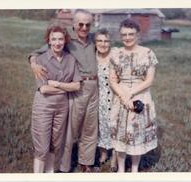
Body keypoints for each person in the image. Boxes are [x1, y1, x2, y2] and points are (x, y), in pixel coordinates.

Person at [29, 9, 98, 172]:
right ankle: (63, 166)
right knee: (68, 131)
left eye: (87, 24)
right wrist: (33, 63)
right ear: (74, 24)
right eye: (80, 24)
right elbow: (39, 52)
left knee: (90, 127)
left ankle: (86, 163)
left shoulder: (94, 39)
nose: (84, 27)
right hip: (75, 88)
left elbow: (107, 47)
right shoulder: (67, 40)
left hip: (92, 86)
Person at [109, 18, 158, 172]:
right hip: (120, 98)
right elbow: (112, 80)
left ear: (138, 34)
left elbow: (149, 80)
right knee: (121, 136)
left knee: (137, 135)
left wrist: (131, 93)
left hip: (140, 97)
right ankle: (122, 169)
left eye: (131, 34)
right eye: (124, 35)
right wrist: (124, 97)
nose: (127, 38)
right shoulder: (115, 54)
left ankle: (135, 169)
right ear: (120, 35)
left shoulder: (148, 53)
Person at [31, 23, 81, 173]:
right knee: (42, 146)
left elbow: (77, 86)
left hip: (62, 108)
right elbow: (44, 89)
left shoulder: (71, 59)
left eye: (60, 39)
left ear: (65, 40)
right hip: (43, 107)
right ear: (49, 41)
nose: (58, 42)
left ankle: (50, 173)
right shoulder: (40, 61)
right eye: (54, 39)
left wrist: (58, 84)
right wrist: (66, 88)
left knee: (55, 143)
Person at [94, 29, 117, 172]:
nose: (103, 44)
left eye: (106, 41)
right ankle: (103, 154)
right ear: (95, 43)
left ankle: (114, 156)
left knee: (115, 126)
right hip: (99, 97)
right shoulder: (93, 56)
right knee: (101, 125)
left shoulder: (115, 55)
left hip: (115, 97)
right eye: (100, 41)